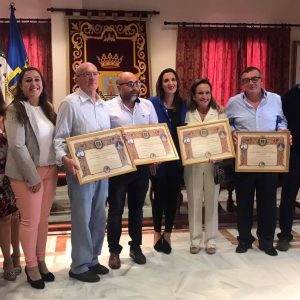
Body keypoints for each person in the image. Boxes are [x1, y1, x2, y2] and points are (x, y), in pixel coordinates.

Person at [54, 62, 110, 283]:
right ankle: (78, 265)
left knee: (98, 217)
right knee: (81, 218)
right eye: (86, 75)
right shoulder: (70, 103)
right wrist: (64, 160)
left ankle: (93, 259)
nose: (91, 78)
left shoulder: (103, 105)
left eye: (95, 74)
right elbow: (59, 139)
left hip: (102, 172)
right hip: (79, 172)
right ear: (76, 78)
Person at [226, 66, 287, 256]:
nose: (251, 83)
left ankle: (266, 241)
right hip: (244, 162)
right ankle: (244, 239)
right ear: (241, 83)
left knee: (268, 203)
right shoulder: (233, 102)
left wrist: (283, 132)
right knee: (243, 202)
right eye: (246, 80)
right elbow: (226, 124)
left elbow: (282, 121)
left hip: (269, 162)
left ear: (262, 80)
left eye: (255, 78)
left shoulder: (276, 99)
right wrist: (233, 133)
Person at [5, 67, 57, 289]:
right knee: (30, 221)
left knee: (44, 220)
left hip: (50, 170)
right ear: (21, 85)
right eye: (28, 80)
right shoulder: (15, 109)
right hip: (28, 175)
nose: (33, 84)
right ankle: (31, 266)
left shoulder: (48, 108)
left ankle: (42, 260)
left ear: (42, 83)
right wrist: (32, 176)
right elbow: (17, 146)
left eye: (37, 79)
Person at [106, 72, 158, 269]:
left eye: (136, 83)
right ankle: (113, 251)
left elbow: (154, 132)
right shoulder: (108, 107)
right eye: (129, 84)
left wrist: (154, 159)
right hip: (118, 169)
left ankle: (135, 247)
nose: (134, 87)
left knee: (137, 209)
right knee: (115, 210)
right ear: (118, 87)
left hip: (141, 167)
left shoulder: (147, 106)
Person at [184, 79, 226, 255]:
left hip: (213, 165)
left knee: (211, 201)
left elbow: (225, 139)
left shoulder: (219, 113)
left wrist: (219, 154)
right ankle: (194, 240)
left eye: (207, 92)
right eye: (200, 93)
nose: (204, 96)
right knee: (193, 201)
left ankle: (211, 240)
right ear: (194, 96)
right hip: (193, 165)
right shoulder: (187, 114)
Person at [149, 68, 186, 254]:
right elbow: (146, 129)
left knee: (173, 198)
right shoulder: (151, 103)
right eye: (166, 80)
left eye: (173, 79)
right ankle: (156, 232)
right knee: (158, 197)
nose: (170, 83)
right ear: (161, 84)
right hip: (159, 160)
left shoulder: (183, 105)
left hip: (177, 161)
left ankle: (168, 233)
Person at [0, 89, 21, 281]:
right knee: (4, 219)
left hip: (10, 173)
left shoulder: (7, 112)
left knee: (15, 216)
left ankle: (16, 256)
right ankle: (7, 260)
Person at [276, 84, 300, 251]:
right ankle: (285, 235)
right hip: (294, 153)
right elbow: (280, 122)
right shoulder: (288, 97)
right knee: (288, 196)